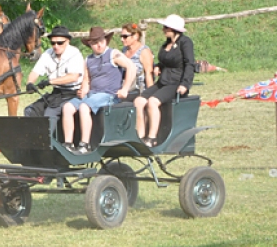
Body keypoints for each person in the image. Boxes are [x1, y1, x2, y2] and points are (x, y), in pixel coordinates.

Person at [62, 27, 136, 154]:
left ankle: (85, 144)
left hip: (109, 95)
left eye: (101, 41)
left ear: (105, 40)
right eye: (95, 42)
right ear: (90, 44)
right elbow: (86, 80)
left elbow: (131, 67)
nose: (99, 45)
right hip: (92, 95)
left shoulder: (113, 54)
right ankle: (68, 144)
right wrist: (83, 90)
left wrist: (125, 88)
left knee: (85, 106)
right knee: (68, 107)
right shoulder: (88, 60)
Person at [134, 14, 195, 147]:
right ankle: (140, 137)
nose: (163, 29)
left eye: (166, 27)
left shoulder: (185, 42)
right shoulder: (167, 43)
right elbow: (164, 61)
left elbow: (190, 64)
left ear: (174, 29)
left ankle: (152, 138)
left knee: (152, 102)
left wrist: (185, 84)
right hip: (163, 81)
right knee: (139, 101)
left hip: (176, 82)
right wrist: (158, 67)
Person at [23, 25, 84, 127]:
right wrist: (30, 83)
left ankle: (50, 141)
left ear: (68, 41)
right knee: (30, 111)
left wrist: (50, 82)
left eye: (60, 43)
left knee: (49, 114)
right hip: (55, 94)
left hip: (72, 94)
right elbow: (35, 72)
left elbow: (73, 77)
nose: (56, 46)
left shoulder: (74, 53)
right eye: (53, 43)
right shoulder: (47, 54)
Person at [121, 22, 154, 95]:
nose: (122, 39)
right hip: (124, 89)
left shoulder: (144, 51)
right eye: (121, 36)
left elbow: (149, 74)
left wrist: (151, 95)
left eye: (125, 36)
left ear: (135, 36)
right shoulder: (124, 50)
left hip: (138, 91)